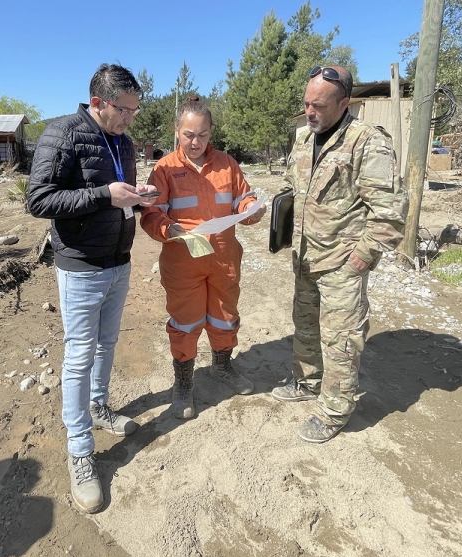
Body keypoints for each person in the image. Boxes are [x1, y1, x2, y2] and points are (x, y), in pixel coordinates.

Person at [27, 63, 157, 513]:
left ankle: (99, 407)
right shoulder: (61, 133)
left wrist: (138, 197)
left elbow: (118, 194)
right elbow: (38, 199)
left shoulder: (123, 141)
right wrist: (105, 195)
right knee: (80, 356)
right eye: (125, 110)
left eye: (135, 111)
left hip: (119, 261)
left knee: (107, 345)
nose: (130, 119)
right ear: (99, 103)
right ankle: (80, 449)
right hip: (81, 267)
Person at [270, 66, 408, 443]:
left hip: (342, 263)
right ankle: (308, 381)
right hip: (304, 257)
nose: (310, 111)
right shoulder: (302, 137)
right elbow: (290, 186)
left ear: (344, 103)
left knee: (341, 339)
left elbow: (391, 210)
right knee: (306, 324)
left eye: (318, 105)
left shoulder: (367, 142)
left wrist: (362, 257)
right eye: (306, 103)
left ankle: (335, 410)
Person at [140, 97, 266, 420]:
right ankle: (183, 383)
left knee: (225, 315)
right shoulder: (165, 169)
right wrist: (170, 230)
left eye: (203, 135)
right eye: (188, 135)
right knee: (185, 322)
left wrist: (252, 210)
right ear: (176, 131)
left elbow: (243, 199)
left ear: (211, 132)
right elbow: (151, 215)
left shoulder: (227, 164)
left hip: (223, 259)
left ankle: (223, 367)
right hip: (184, 263)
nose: (196, 142)